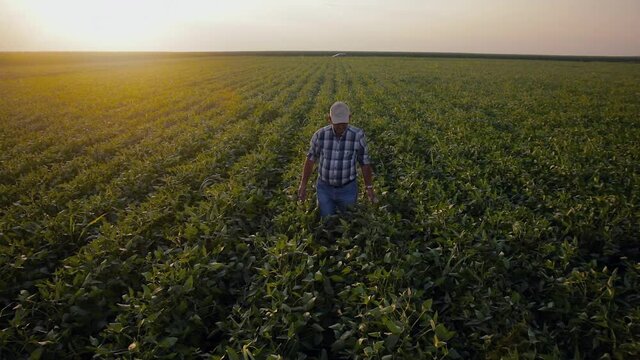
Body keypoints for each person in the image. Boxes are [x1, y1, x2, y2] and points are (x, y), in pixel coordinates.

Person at [297, 101, 376, 217]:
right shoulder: (320, 135)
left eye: (344, 123)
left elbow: (364, 163)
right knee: (326, 221)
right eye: (337, 124)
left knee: (348, 221)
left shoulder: (357, 135)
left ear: (349, 118)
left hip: (348, 189)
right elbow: (310, 159)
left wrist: (369, 187)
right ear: (329, 119)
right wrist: (303, 184)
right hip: (324, 188)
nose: (340, 127)